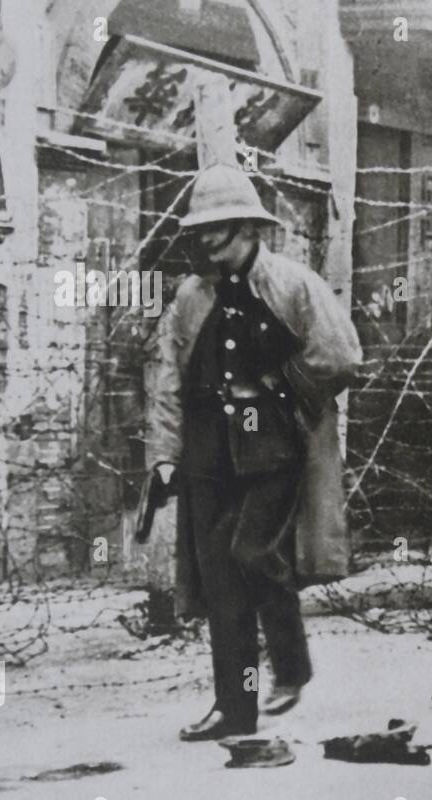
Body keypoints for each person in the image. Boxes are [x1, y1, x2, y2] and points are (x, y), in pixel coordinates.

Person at [146, 163, 362, 741]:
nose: (208, 242)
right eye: (202, 230)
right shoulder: (191, 298)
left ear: (247, 229)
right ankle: (235, 709)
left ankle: (290, 664)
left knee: (247, 551)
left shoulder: (293, 285)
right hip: (210, 457)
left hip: (276, 451)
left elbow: (341, 356)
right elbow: (167, 379)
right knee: (221, 577)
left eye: (219, 229)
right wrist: (164, 454)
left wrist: (277, 386)